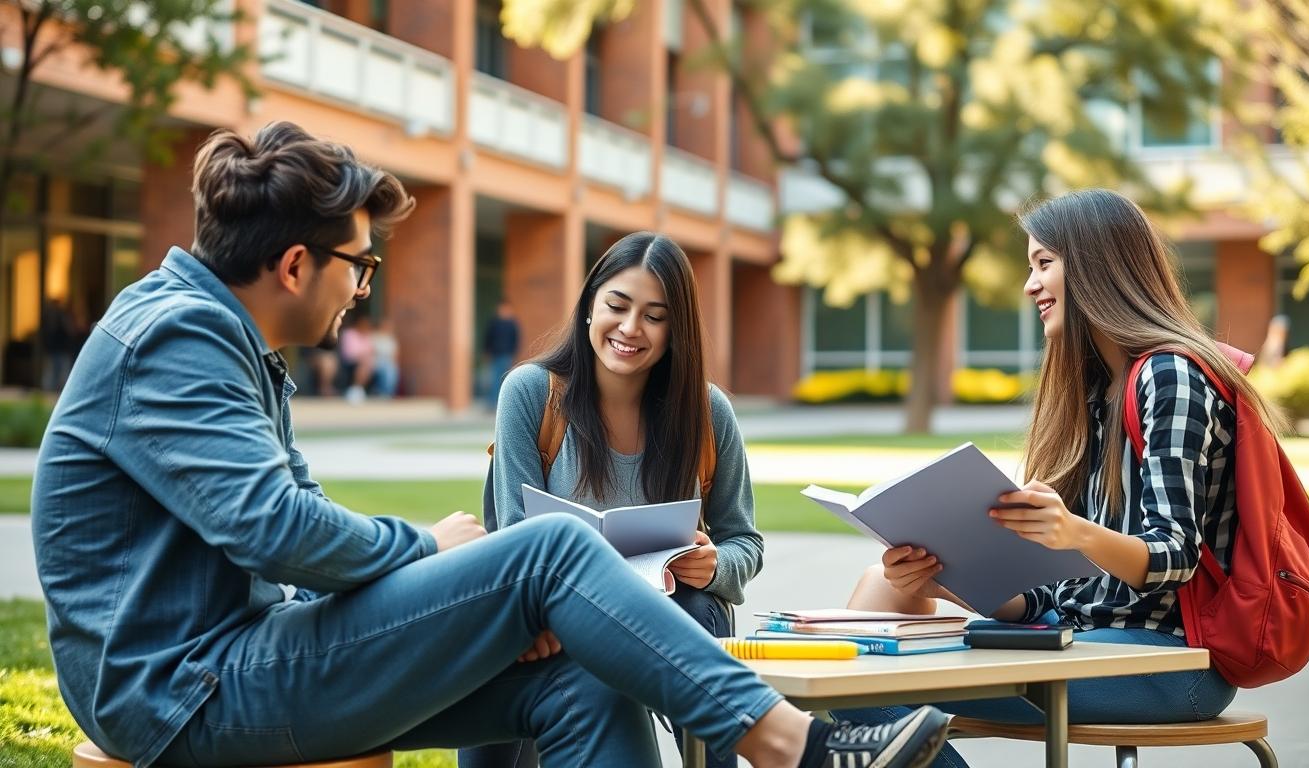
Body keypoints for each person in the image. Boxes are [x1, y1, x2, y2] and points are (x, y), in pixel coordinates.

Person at [30, 121, 950, 768]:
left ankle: (792, 746)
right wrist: (428, 549)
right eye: (363, 265)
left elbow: (291, 540)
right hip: (183, 692)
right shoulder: (176, 338)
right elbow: (275, 530)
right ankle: (795, 748)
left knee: (587, 685)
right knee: (551, 545)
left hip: (240, 659)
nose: (364, 290)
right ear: (297, 264)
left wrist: (443, 602)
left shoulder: (232, 343)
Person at [837, 188, 1288, 767]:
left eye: (1044, 263)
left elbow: (1174, 555)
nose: (1030, 285)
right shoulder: (1100, 389)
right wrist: (941, 577)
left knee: (857, 679)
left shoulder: (1169, 374)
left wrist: (1073, 531)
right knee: (883, 586)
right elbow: (1056, 595)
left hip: (1167, 662)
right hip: (1080, 640)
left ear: (1099, 266)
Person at [462, 232, 763, 768]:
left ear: (677, 330)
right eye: (617, 306)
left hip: (667, 609)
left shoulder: (708, 413)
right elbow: (513, 532)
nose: (629, 329)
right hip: (548, 608)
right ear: (589, 308)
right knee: (505, 648)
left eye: (654, 315)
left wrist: (716, 564)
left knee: (698, 616)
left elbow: (744, 540)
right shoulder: (531, 394)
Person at [483, 299, 520, 409]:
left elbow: (516, 340)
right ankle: (492, 403)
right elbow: (488, 338)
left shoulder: (512, 324)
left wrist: (513, 354)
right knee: (494, 379)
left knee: (504, 379)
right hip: (495, 355)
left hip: (506, 355)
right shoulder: (494, 323)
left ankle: (502, 403)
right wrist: (486, 352)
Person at [340, 314, 376, 402]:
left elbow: (372, 352)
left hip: (366, 363)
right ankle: (356, 389)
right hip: (350, 363)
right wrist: (363, 356)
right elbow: (348, 354)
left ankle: (381, 392)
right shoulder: (349, 334)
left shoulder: (368, 337)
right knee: (364, 365)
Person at [369, 315, 400, 397]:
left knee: (391, 369)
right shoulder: (374, 336)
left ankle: (387, 393)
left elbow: (395, 355)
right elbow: (371, 351)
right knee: (387, 368)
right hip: (375, 361)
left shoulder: (391, 339)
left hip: (387, 363)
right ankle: (383, 392)